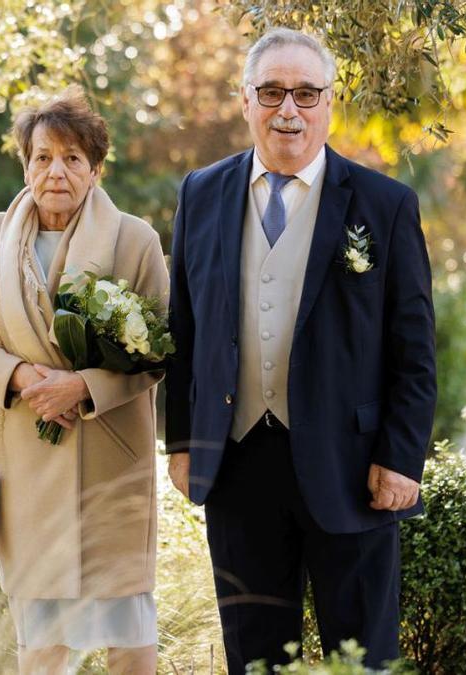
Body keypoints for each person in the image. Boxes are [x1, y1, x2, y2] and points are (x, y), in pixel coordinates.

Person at [165, 28, 436, 672]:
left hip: (353, 468)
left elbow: (415, 346)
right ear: (246, 101)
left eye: (307, 93)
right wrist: (181, 440)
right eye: (272, 91)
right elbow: (185, 330)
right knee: (255, 657)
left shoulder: (384, 203)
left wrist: (402, 457)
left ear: (329, 104)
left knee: (363, 657)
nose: (289, 108)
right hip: (237, 464)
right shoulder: (200, 193)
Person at [0, 86, 167, 675]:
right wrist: (18, 376)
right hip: (24, 463)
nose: (56, 172)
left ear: (95, 169)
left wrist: (84, 387)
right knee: (40, 650)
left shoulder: (136, 240)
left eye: (73, 158)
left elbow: (159, 349)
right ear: (25, 165)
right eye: (43, 157)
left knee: (129, 643)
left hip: (110, 463)